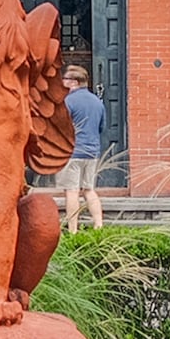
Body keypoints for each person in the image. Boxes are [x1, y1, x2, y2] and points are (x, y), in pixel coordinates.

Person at [60, 65, 107, 230]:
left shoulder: (67, 101)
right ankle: (98, 225)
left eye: (65, 79)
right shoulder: (97, 102)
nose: (62, 82)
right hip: (92, 151)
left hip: (73, 152)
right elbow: (102, 127)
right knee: (89, 189)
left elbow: (63, 127)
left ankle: (73, 229)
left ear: (74, 82)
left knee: (72, 191)